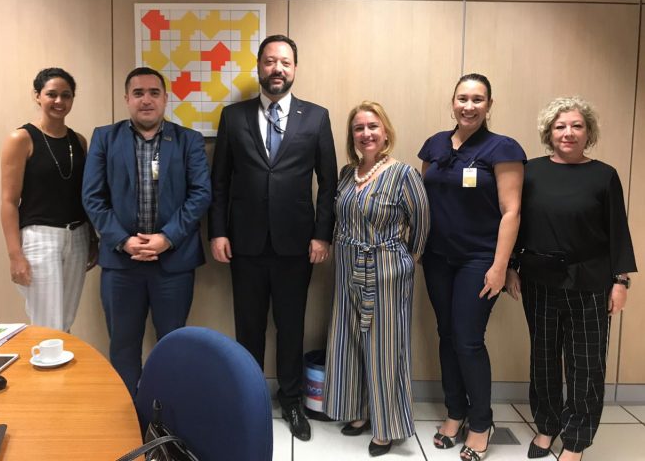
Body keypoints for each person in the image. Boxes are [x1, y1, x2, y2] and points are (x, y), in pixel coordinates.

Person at [209, 34, 337, 441]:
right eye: (269, 61)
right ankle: (247, 399)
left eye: (284, 62)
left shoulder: (316, 117)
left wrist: (322, 235)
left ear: (294, 68)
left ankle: (292, 400)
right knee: (247, 327)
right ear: (259, 67)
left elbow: (328, 183)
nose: (277, 68)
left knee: (291, 326)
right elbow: (219, 181)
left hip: (296, 245)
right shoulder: (233, 117)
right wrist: (218, 231)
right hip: (244, 243)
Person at [506, 97, 636, 461]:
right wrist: (511, 266)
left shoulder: (604, 175)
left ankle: (576, 440)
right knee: (544, 358)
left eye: (577, 126)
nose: (568, 132)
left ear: (588, 132)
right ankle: (547, 426)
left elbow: (618, 231)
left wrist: (621, 281)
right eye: (560, 126)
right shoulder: (530, 172)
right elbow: (517, 224)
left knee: (586, 364)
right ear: (549, 132)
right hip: (539, 279)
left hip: (590, 282)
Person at [82, 67, 211, 397]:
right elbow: (92, 197)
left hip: (173, 263)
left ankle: (166, 414)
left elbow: (201, 194)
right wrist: (124, 241)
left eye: (154, 92)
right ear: (127, 98)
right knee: (123, 346)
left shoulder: (189, 140)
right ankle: (128, 416)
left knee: (172, 344)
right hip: (121, 264)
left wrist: (166, 238)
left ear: (165, 98)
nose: (146, 100)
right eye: (138, 93)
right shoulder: (104, 138)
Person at [418, 73, 525, 461]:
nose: (469, 106)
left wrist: (501, 266)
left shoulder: (503, 148)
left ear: (489, 105)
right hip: (437, 258)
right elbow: (422, 200)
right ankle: (455, 411)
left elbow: (512, 211)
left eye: (478, 99)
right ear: (452, 102)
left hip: (479, 260)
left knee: (467, 339)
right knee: (446, 334)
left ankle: (481, 422)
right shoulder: (434, 145)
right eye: (463, 98)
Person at [323, 102, 430, 457]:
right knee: (350, 340)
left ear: (385, 132)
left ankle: (386, 427)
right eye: (359, 128)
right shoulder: (347, 174)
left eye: (373, 126)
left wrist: (403, 260)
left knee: (385, 347)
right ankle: (359, 411)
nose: (366, 134)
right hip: (347, 267)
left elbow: (422, 226)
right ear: (351, 136)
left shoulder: (404, 174)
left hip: (386, 271)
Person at [0, 68, 97, 332]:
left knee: (65, 322)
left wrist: (92, 239)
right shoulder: (21, 139)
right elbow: (9, 201)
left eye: (66, 95)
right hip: (40, 236)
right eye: (51, 94)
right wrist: (15, 255)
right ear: (37, 96)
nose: (59, 101)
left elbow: (81, 194)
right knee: (47, 324)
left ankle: (61, 361)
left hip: (77, 235)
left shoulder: (78, 141)